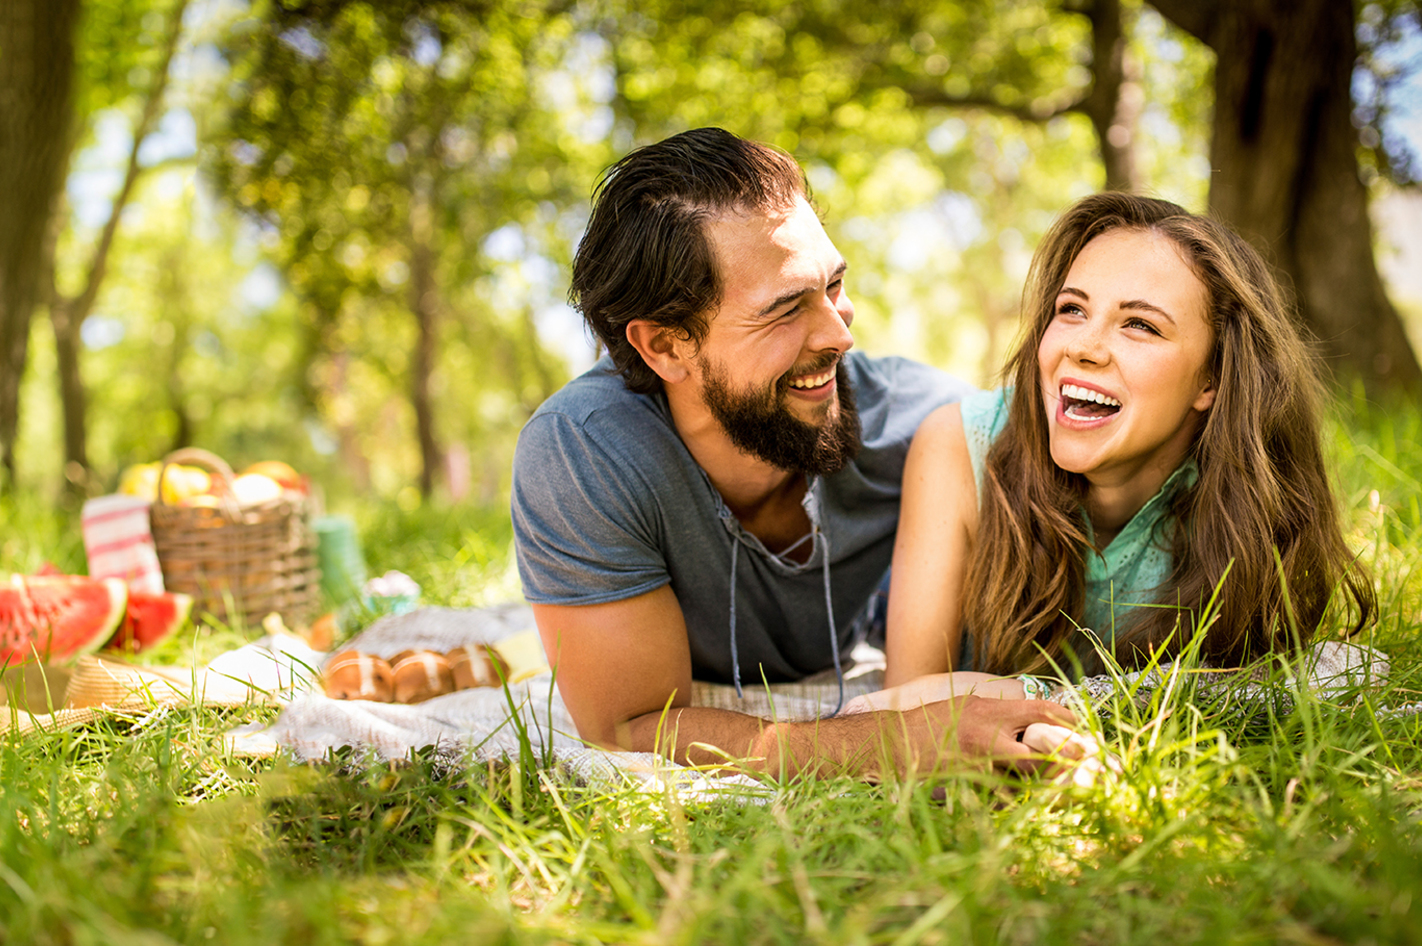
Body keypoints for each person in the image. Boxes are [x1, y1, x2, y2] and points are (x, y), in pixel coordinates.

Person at [511, 127, 1079, 778]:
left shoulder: (929, 427)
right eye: (785, 311)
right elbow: (630, 725)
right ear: (666, 347)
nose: (839, 334)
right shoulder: (584, 453)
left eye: (832, 285)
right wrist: (892, 742)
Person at [858, 192, 1376, 712]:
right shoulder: (959, 443)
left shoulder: (1250, 497)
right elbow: (902, 709)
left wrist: (1029, 696)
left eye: (1140, 325)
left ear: (1212, 378)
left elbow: (1241, 689)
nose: (1083, 346)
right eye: (1072, 309)